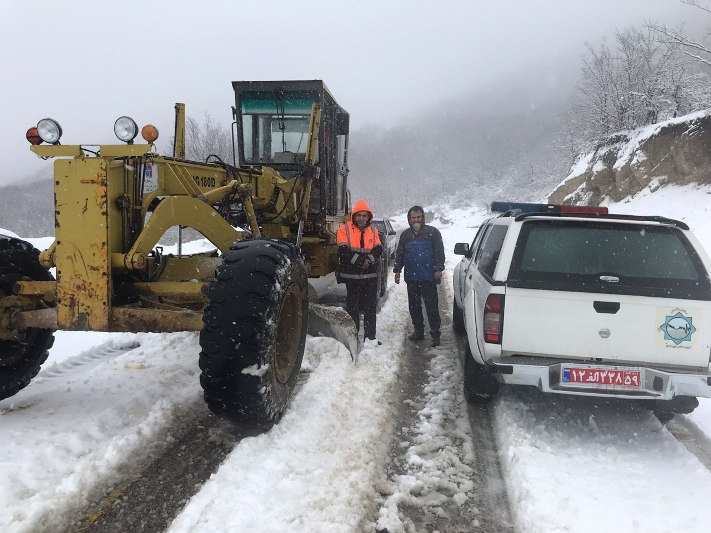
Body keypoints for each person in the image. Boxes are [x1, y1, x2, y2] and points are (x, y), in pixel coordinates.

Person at [393, 205, 445, 347]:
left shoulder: (433, 233)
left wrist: (439, 268)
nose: (416, 220)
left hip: (429, 277)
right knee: (414, 307)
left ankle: (435, 334)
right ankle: (419, 332)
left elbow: (439, 251)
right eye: (413, 218)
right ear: (409, 219)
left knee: (431, 307)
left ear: (423, 218)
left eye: (418, 217)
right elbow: (400, 254)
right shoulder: (405, 235)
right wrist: (397, 270)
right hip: (412, 278)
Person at [337, 199, 383, 343]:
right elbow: (342, 251)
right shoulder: (344, 229)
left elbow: (378, 249)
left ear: (369, 217)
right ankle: (353, 337)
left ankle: (370, 338)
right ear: (354, 216)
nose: (362, 218)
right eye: (359, 215)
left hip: (369, 277)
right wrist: (359, 261)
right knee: (352, 308)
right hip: (352, 277)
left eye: (364, 216)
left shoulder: (374, 231)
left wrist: (369, 259)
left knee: (370, 308)